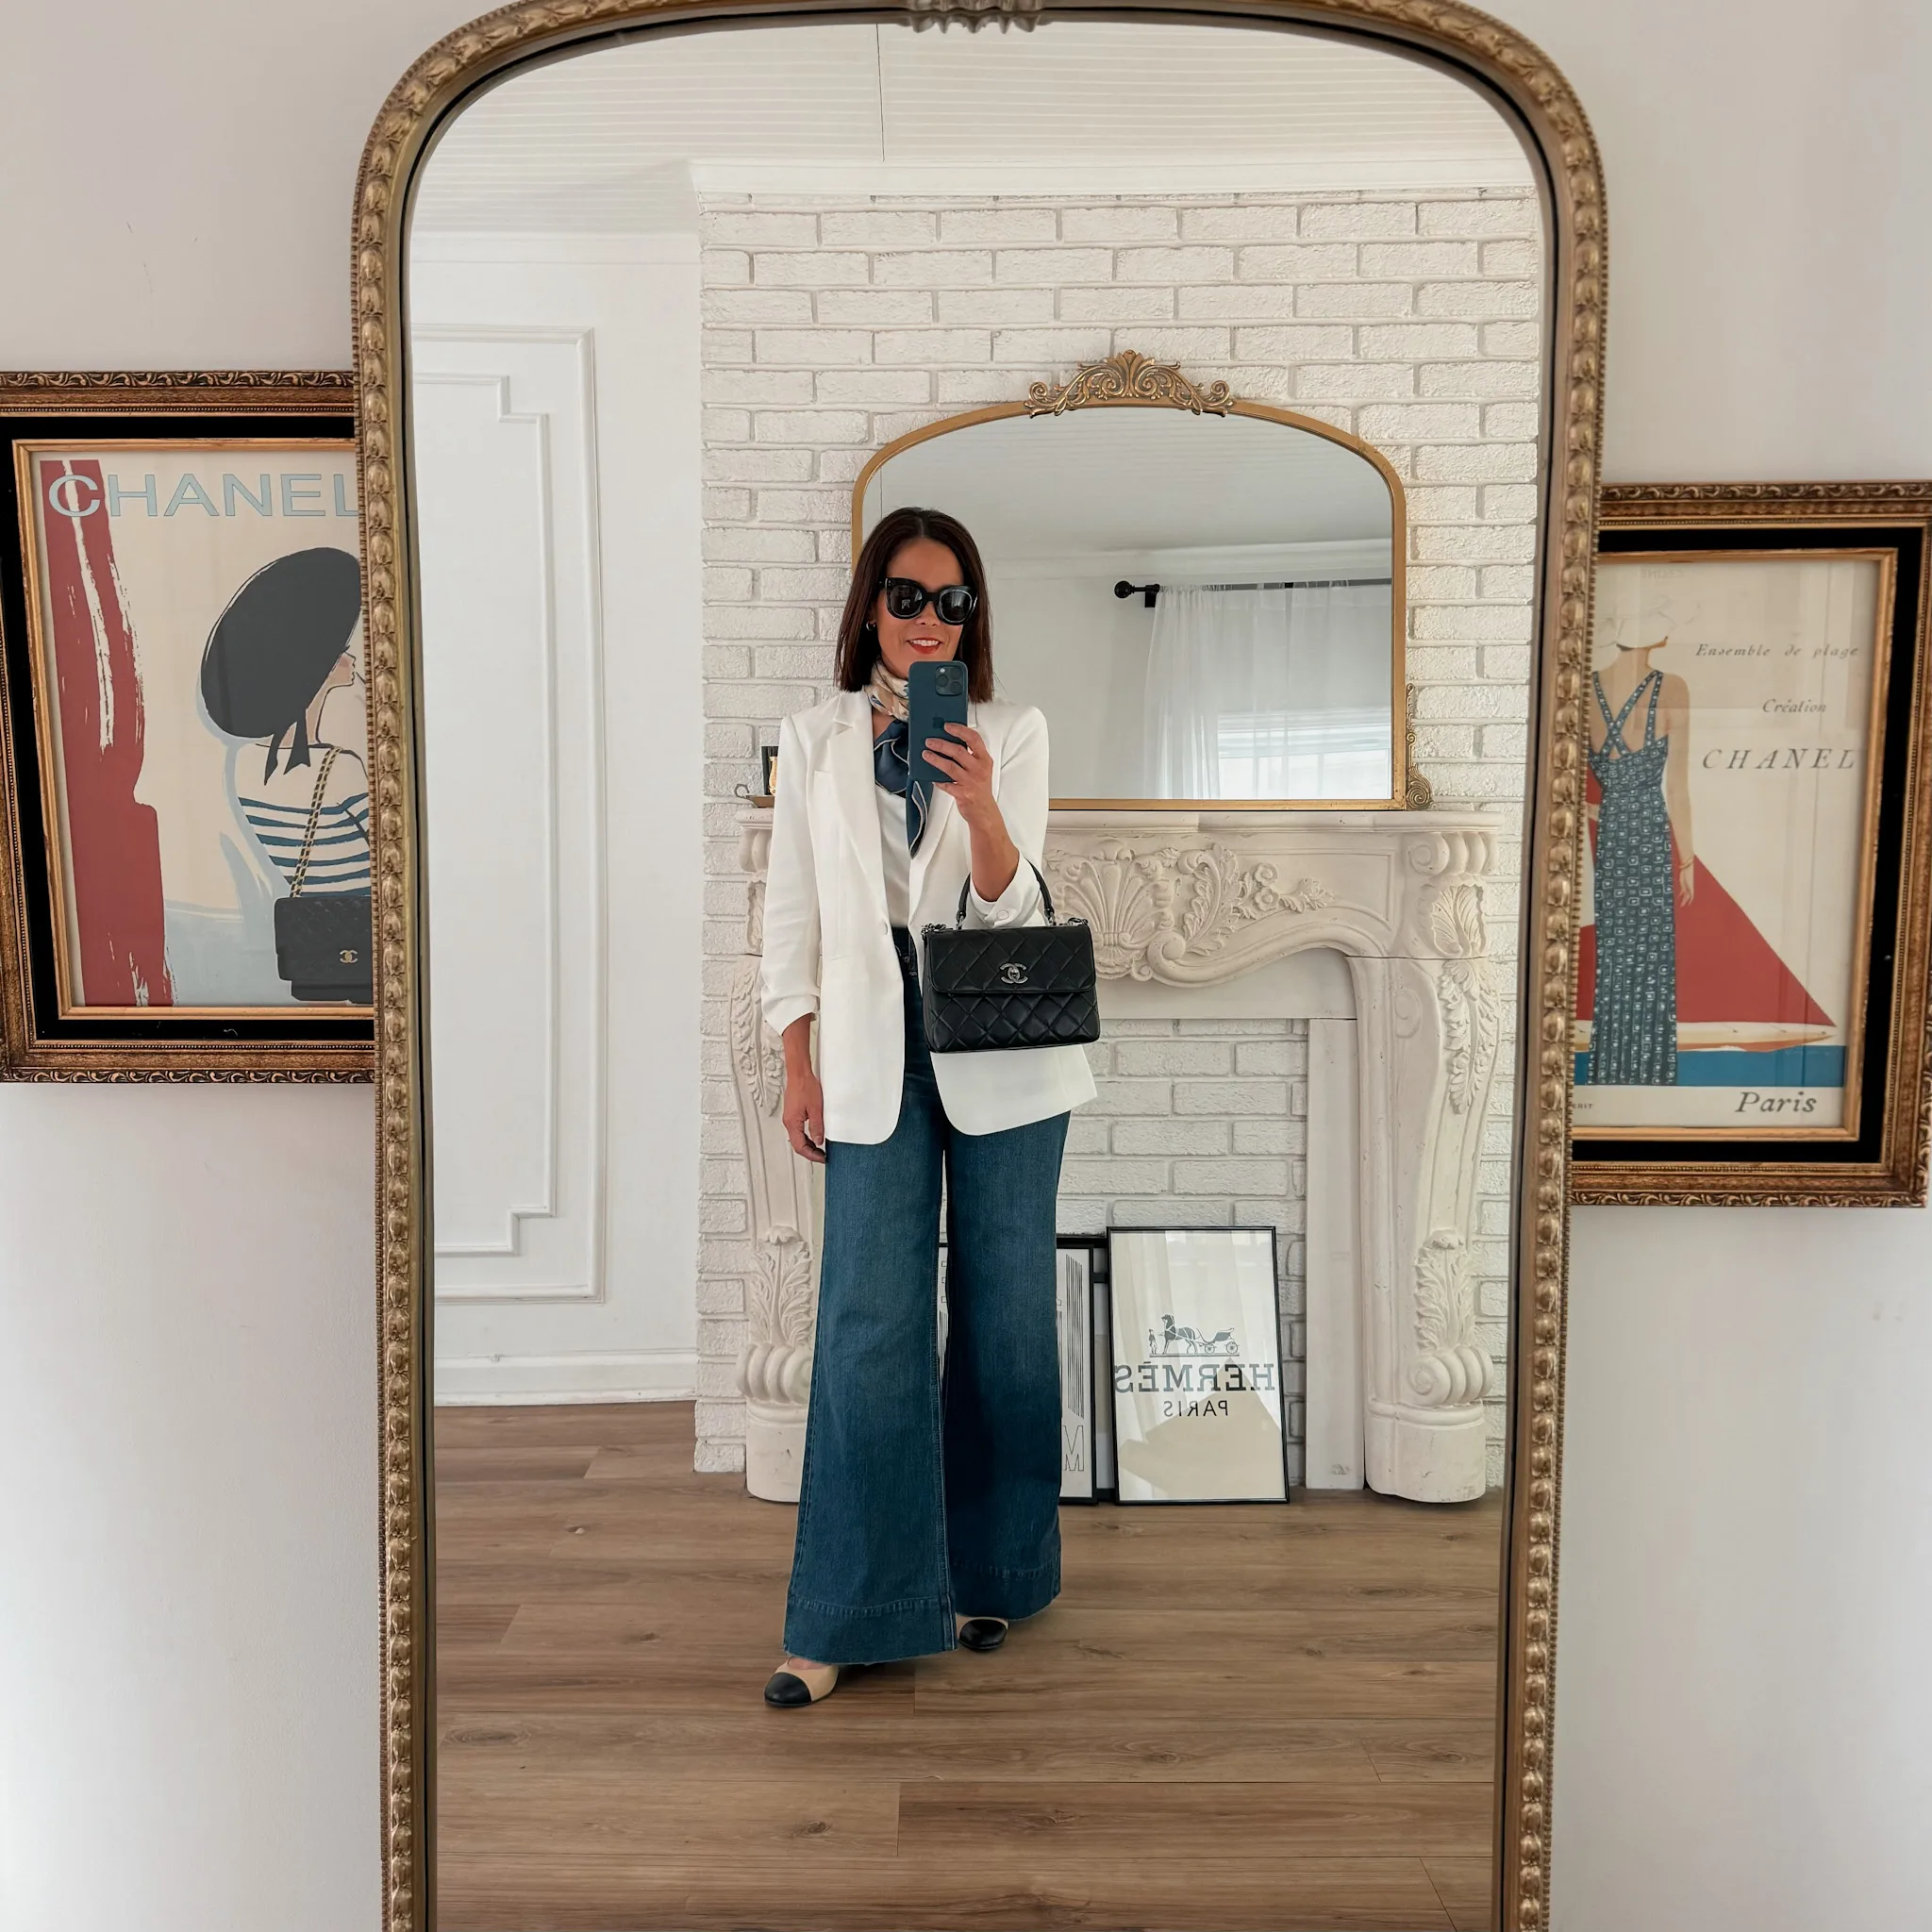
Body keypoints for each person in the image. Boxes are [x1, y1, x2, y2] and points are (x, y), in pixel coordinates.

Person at [758, 505, 1096, 1707]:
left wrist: (985, 802)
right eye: (907, 595)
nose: (928, 619)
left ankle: (991, 1566)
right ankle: (844, 1611)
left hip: (999, 1046)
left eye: (953, 602)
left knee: (1004, 1315)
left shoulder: (1011, 729)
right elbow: (789, 911)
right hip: (864, 1042)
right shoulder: (810, 739)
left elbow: (1014, 905)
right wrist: (792, 1056)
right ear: (869, 605)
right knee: (865, 1322)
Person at [1586, 622, 1693, 1085]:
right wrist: (1686, 859)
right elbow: (1678, 787)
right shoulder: (1672, 687)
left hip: (1612, 834)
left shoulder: (1586, 688)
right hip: (1648, 836)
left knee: (1616, 955)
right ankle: (1648, 1072)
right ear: (1654, 632)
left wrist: (1604, 810)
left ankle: (1612, 1068)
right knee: (1647, 957)